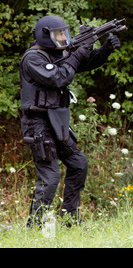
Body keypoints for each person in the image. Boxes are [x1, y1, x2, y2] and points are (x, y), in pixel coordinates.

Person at [20, 15, 120, 227]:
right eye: (60, 34)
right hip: (38, 123)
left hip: (57, 121)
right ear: (45, 35)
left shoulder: (56, 55)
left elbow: (82, 64)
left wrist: (105, 49)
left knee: (78, 164)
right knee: (50, 176)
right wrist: (79, 53)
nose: (64, 37)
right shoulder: (33, 58)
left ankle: (70, 219)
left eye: (64, 32)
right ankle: (34, 226)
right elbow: (59, 77)